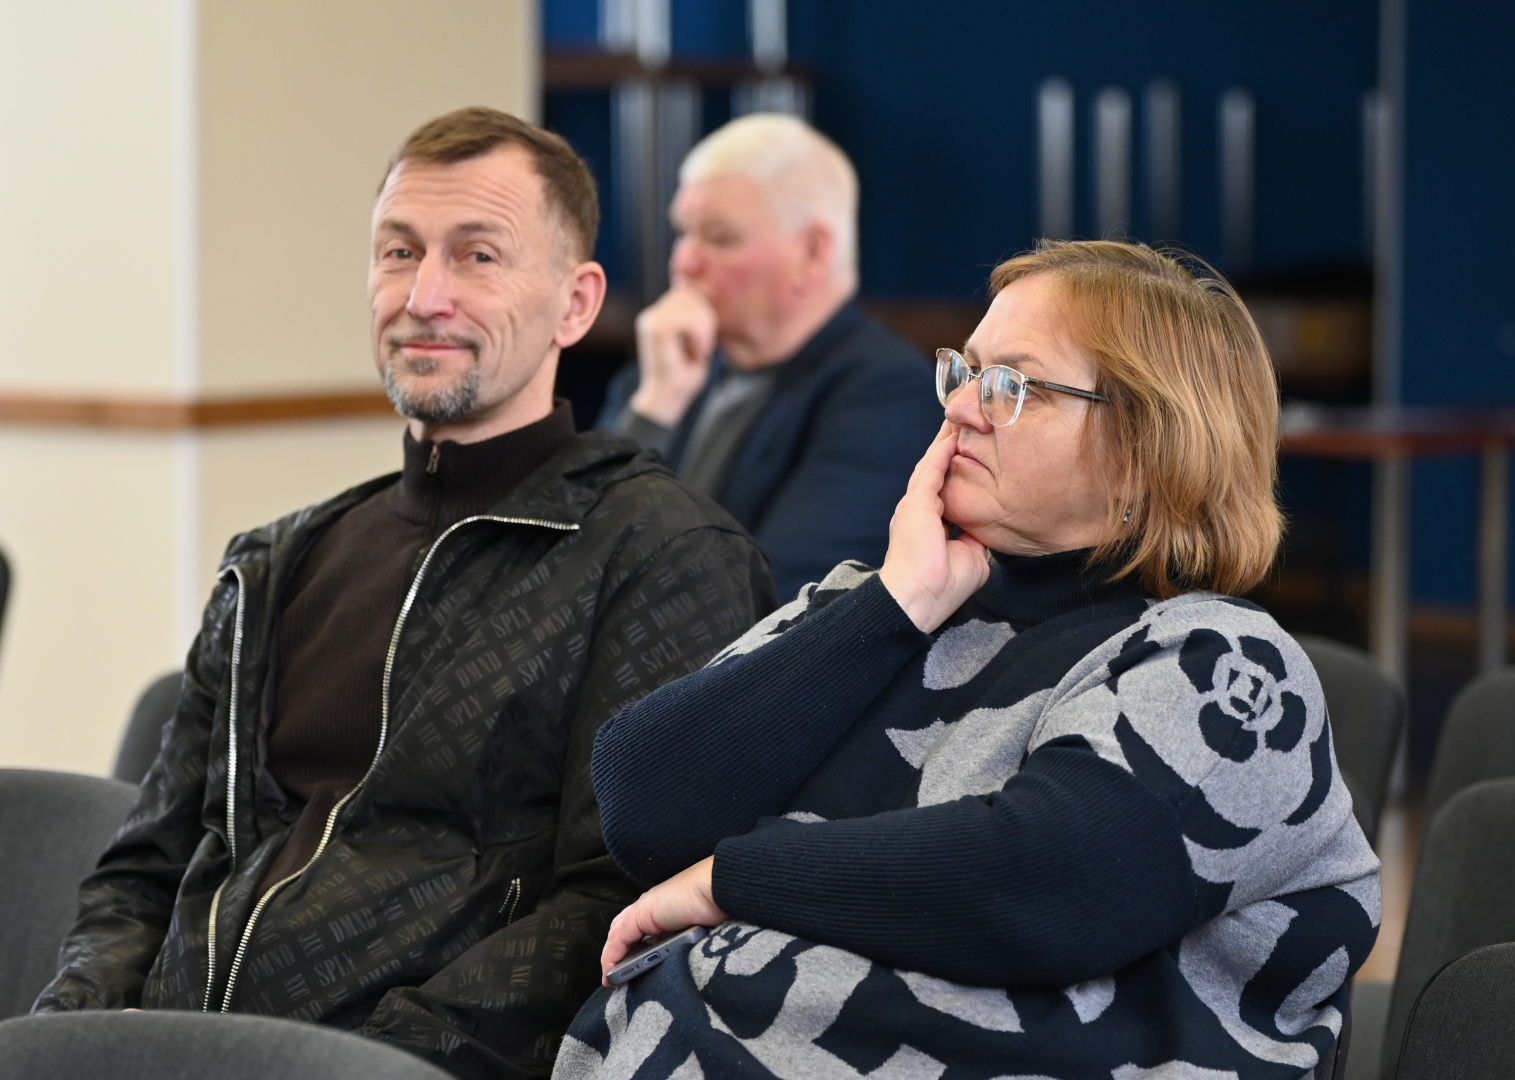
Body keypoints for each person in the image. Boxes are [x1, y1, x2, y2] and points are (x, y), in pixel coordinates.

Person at [33, 108, 777, 1080]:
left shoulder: (662, 555)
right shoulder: (275, 562)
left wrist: (356, 1066)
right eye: (399, 252)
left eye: (477, 256)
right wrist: (67, 1036)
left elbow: (616, 900)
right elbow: (143, 869)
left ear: (576, 304)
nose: (425, 297)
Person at [560, 241, 1381, 1080]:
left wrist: (730, 879)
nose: (959, 409)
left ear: (1148, 448)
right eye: (964, 372)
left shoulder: (1220, 663)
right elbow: (643, 804)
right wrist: (895, 606)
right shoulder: (879, 604)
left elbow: (1046, 883)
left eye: (1013, 387)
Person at [600, 113, 940, 599]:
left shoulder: (887, 394)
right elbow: (568, 560)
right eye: (682, 233)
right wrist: (653, 410)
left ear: (812, 252)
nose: (683, 262)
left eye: (719, 237)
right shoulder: (658, 375)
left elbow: (774, 598)